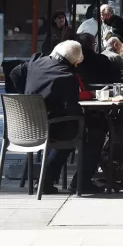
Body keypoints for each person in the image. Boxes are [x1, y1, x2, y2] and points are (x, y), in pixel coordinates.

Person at [9, 41, 105, 194]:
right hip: (51, 127)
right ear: (75, 62)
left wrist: (27, 97)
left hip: (27, 124)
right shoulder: (67, 77)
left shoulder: (35, 61)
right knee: (94, 131)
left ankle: (45, 181)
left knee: (70, 130)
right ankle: (82, 181)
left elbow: (14, 73)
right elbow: (73, 111)